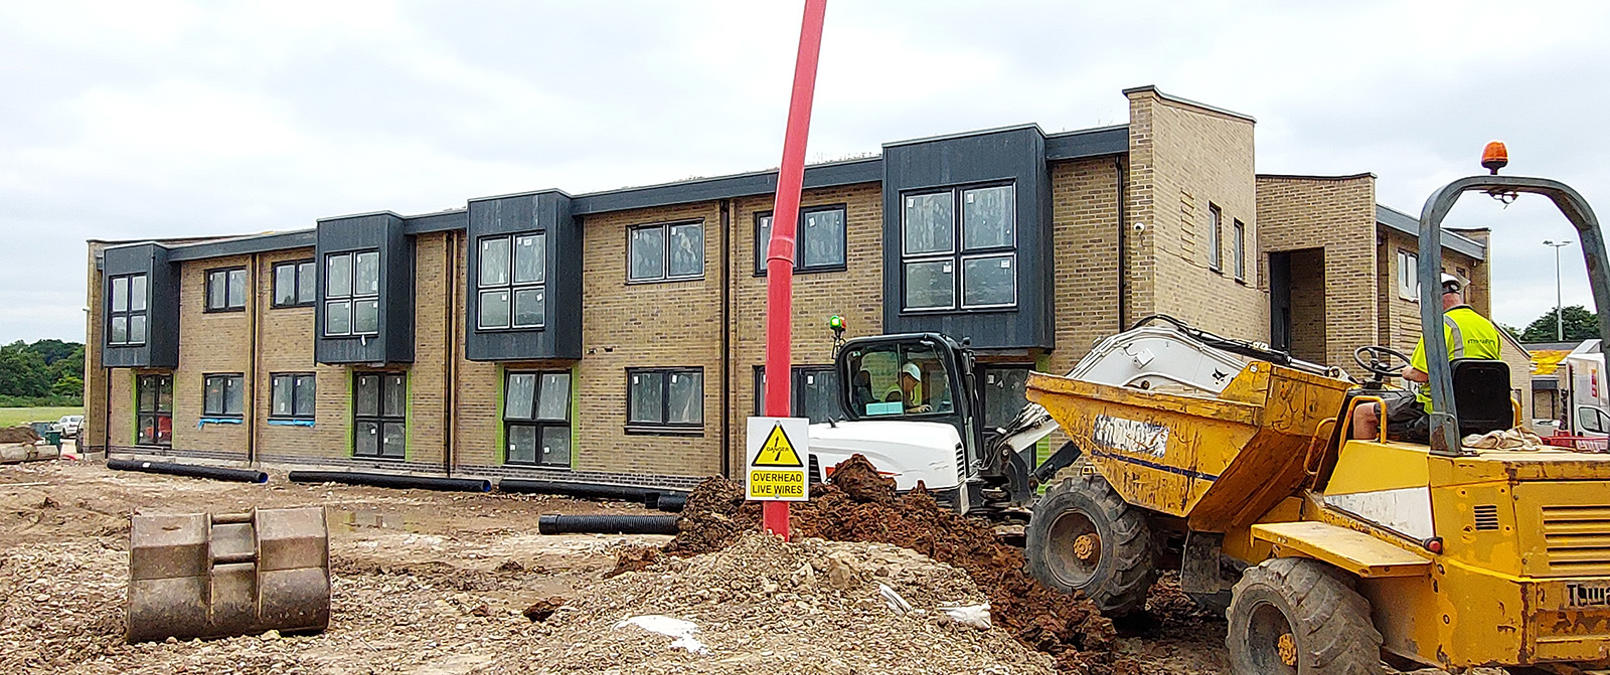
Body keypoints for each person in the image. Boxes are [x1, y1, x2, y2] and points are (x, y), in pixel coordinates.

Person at [1351, 273, 1503, 441]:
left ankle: (1366, 467)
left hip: (1437, 409)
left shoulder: (1440, 325)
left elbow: (1421, 374)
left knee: (1362, 412)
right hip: (1485, 413)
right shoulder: (1487, 326)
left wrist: (1407, 372)